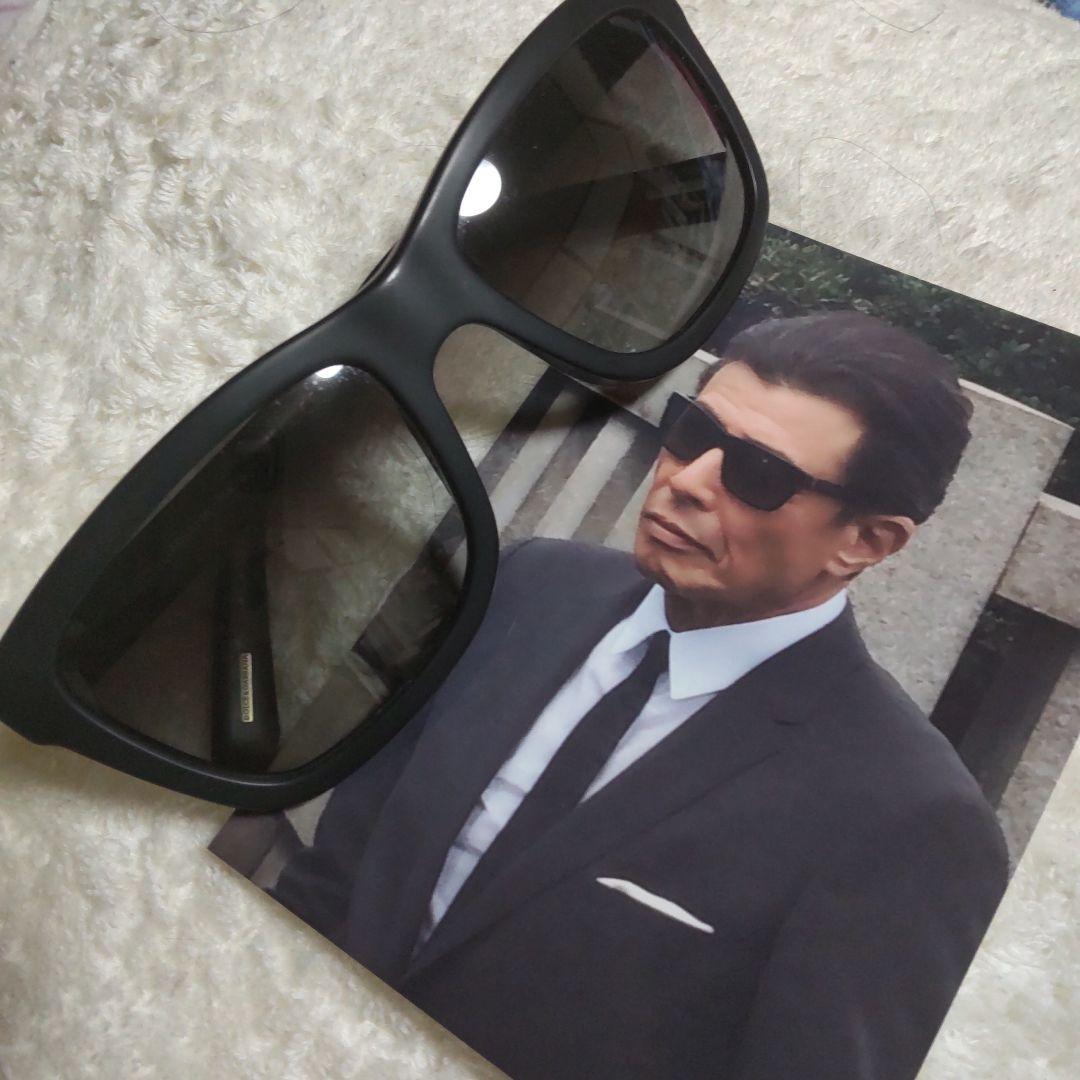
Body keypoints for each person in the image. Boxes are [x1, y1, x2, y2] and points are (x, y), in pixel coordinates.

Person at [270, 312, 1008, 1080]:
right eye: (693, 432)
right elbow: (348, 858)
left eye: (758, 474)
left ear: (866, 541)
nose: (687, 482)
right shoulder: (532, 584)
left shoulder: (908, 817)